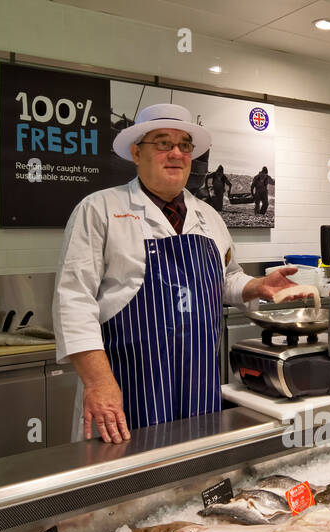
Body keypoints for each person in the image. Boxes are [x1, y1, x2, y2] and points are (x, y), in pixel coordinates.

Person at [52, 104, 299, 442]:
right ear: (137, 153)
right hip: (127, 387)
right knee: (128, 484)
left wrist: (256, 285)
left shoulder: (209, 217)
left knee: (191, 481)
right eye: (163, 143)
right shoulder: (99, 210)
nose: (176, 154)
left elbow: (225, 278)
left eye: (184, 145)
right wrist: (98, 383)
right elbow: (74, 301)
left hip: (199, 385)